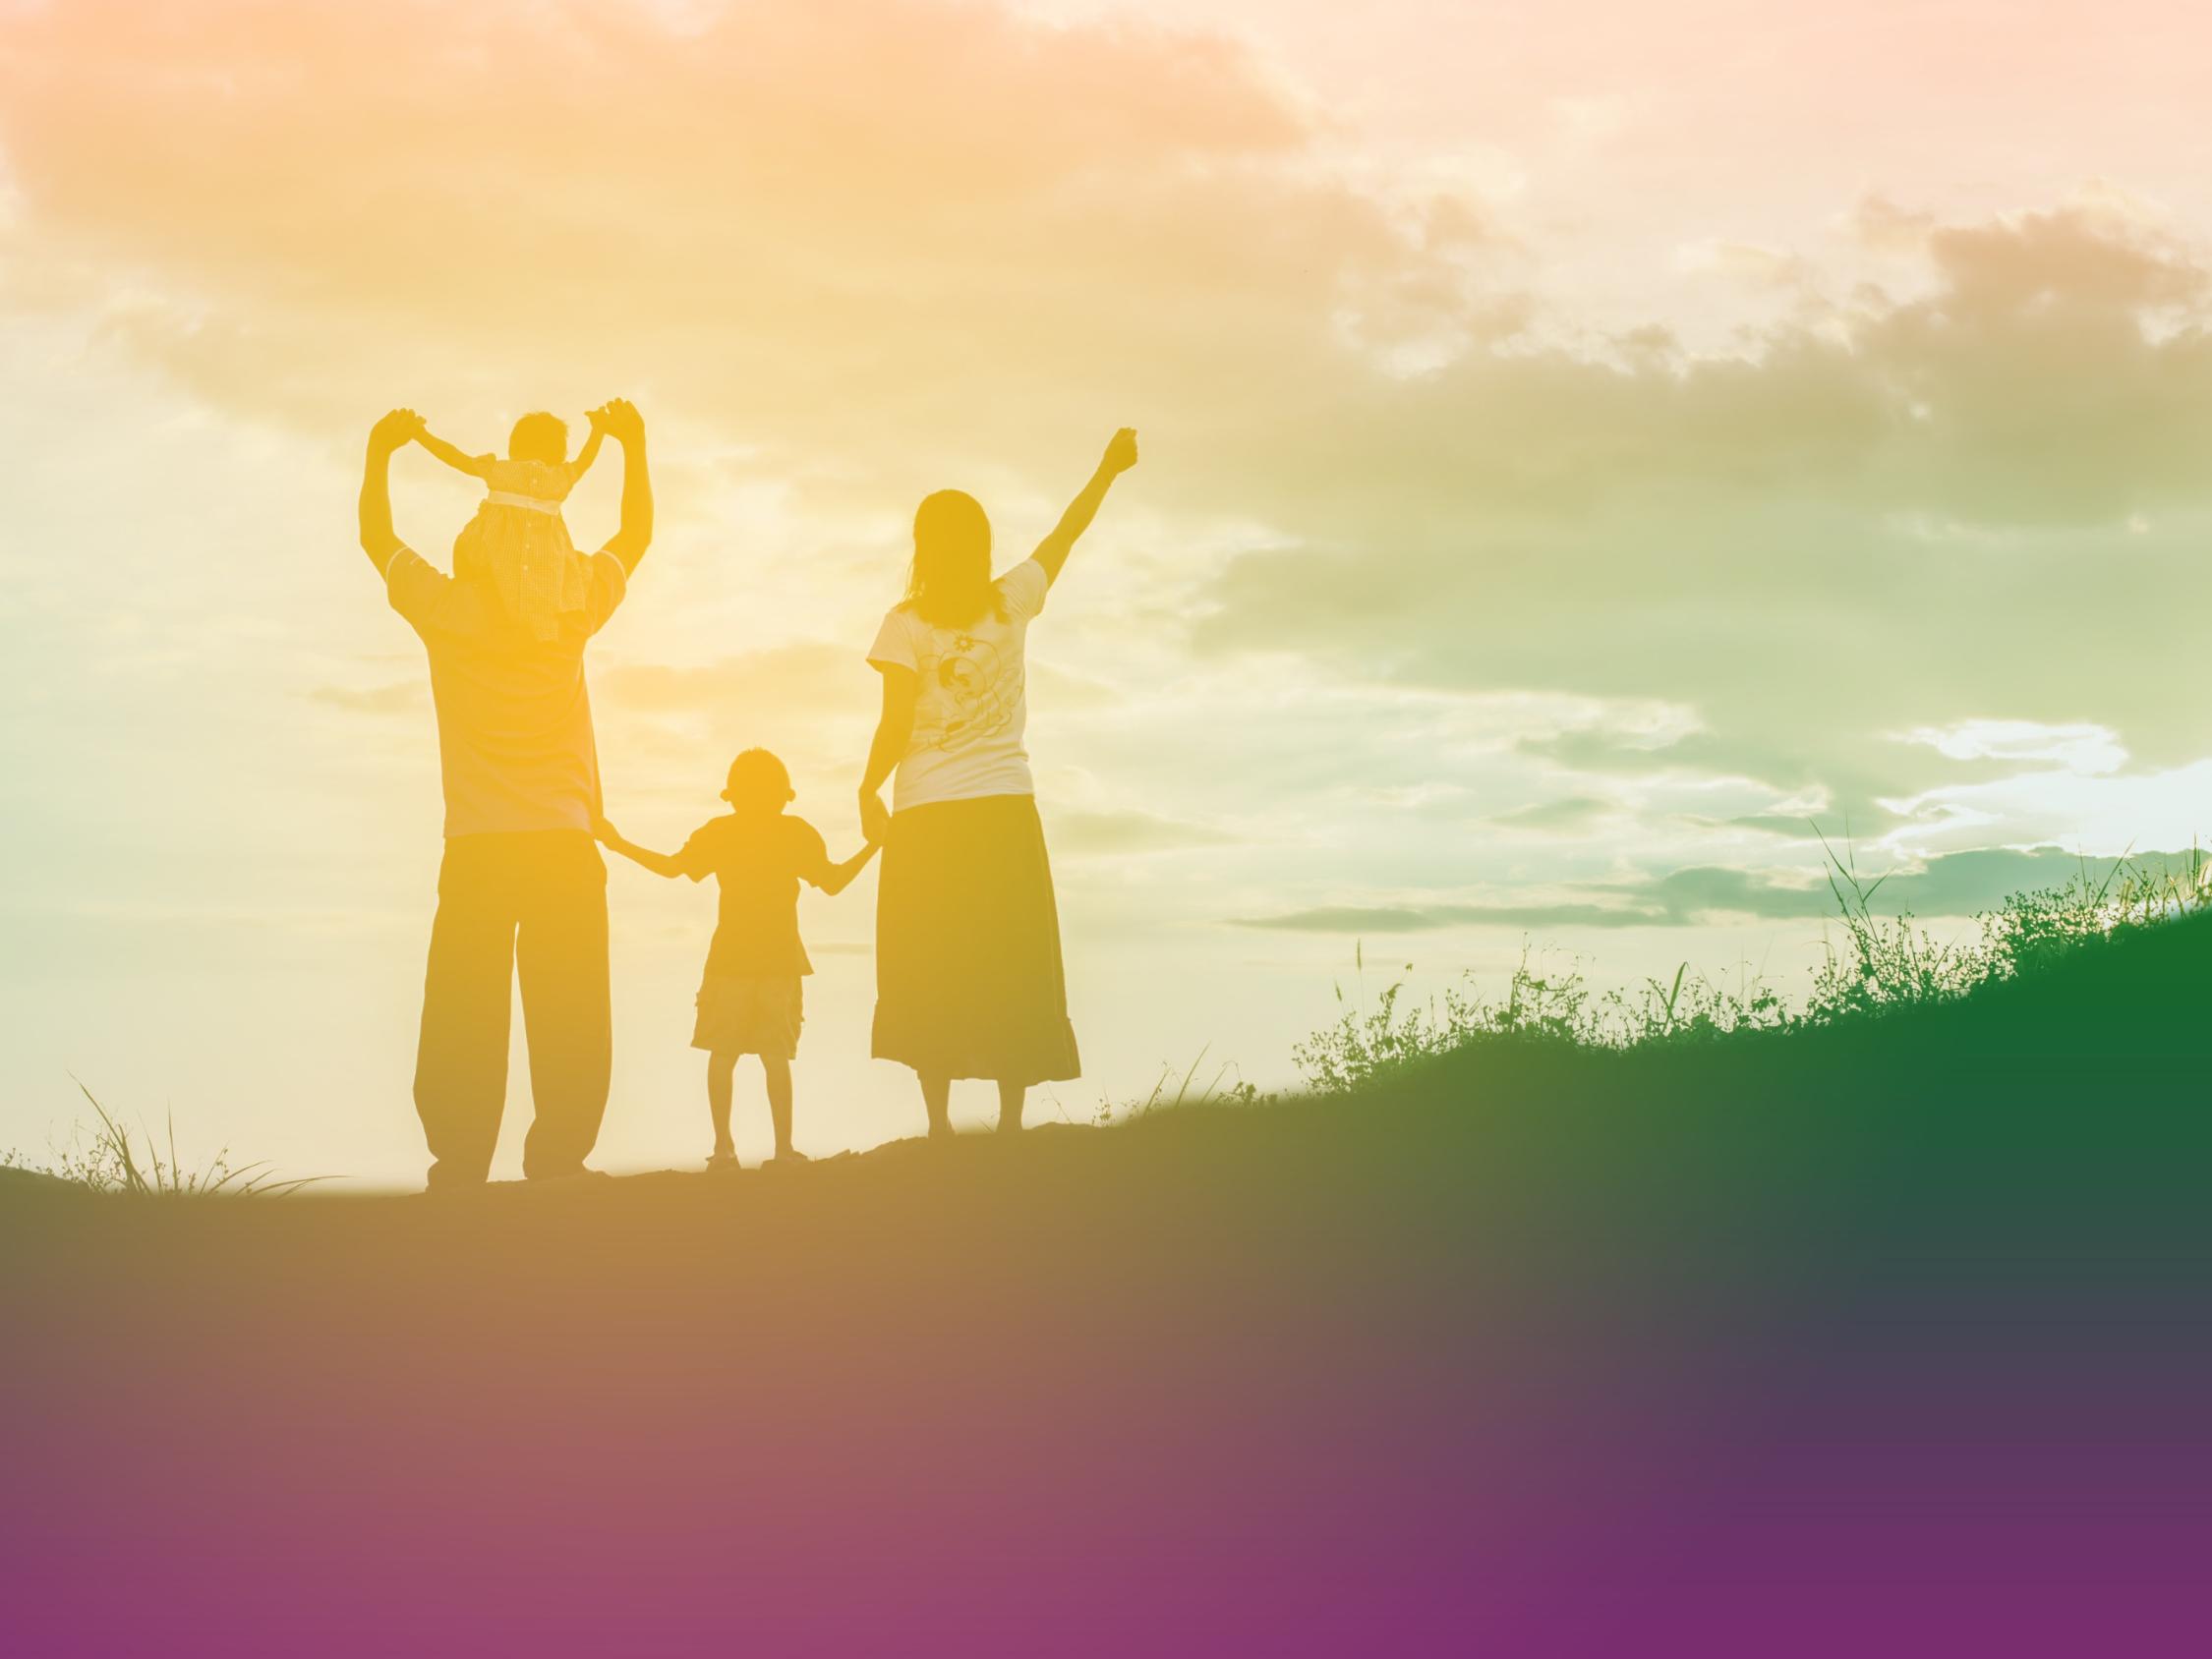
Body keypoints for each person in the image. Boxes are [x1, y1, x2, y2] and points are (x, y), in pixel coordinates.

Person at [355, 399, 653, 1189]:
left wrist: (381, 454)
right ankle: (559, 1159)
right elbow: (636, 538)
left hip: (478, 846)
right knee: (573, 1005)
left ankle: (459, 1161)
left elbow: (377, 541)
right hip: (562, 843)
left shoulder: (448, 609)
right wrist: (632, 445)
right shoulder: (573, 605)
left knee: (463, 1004)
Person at [857, 427, 1139, 1138]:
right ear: (979, 544)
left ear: (923, 546)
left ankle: (941, 1127)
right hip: (1005, 813)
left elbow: (895, 725)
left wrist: (865, 790)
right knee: (1009, 965)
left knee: (933, 964)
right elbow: (1066, 533)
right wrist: (1107, 469)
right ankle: (1011, 1123)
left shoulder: (905, 623)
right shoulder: (1010, 599)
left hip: (927, 816)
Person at [595, 751, 880, 1171]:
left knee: (723, 1054)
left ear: (732, 795)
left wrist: (617, 843)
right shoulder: (794, 832)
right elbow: (834, 882)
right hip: (779, 961)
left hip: (731, 960)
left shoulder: (721, 832)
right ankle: (782, 1150)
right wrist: (875, 844)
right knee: (774, 1056)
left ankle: (724, 1149)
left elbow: (673, 868)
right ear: (786, 794)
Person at [411, 409, 610, 643]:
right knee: (549, 590)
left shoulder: (501, 470)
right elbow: (586, 460)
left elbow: (454, 457)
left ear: (514, 447)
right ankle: (541, 635)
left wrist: (421, 435)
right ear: (560, 453)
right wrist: (598, 430)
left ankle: (470, 602)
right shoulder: (561, 477)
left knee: (469, 563)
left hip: (491, 553)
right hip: (543, 561)